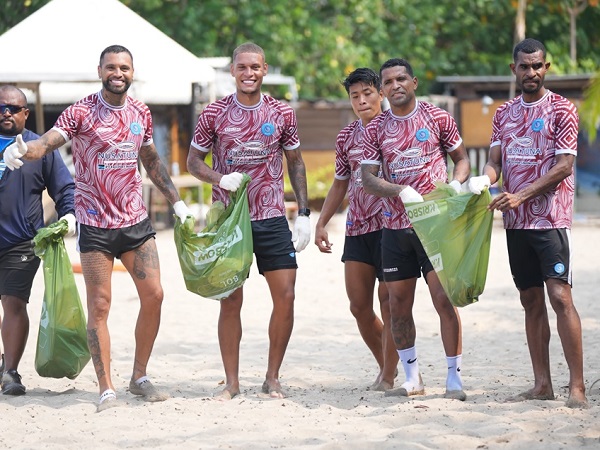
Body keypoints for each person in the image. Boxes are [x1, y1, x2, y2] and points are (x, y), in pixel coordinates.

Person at [3, 45, 194, 411]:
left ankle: (139, 378)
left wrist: (178, 202)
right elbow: (47, 143)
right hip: (95, 225)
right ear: (100, 70)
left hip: (135, 220)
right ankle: (106, 388)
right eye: (111, 67)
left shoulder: (141, 112)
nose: (117, 73)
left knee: (155, 295)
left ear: (132, 72)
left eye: (124, 67)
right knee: (101, 305)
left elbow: (151, 160)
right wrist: (22, 151)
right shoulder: (82, 110)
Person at [468, 38, 588, 409]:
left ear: (546, 67)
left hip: (551, 220)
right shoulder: (504, 113)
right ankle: (542, 384)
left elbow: (564, 166)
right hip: (515, 224)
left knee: (560, 297)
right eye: (525, 66)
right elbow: (495, 162)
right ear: (514, 69)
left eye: (538, 66)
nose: (532, 72)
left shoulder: (562, 110)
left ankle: (578, 387)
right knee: (530, 299)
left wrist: (520, 195)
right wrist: (482, 180)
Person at [187, 42, 310, 400]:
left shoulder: (282, 113)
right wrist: (217, 179)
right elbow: (194, 161)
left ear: (265, 70)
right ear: (232, 71)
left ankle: (272, 377)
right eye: (242, 67)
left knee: (286, 296)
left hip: (271, 217)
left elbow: (296, 162)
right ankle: (232, 383)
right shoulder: (214, 113)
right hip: (230, 220)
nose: (248, 73)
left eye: (255, 67)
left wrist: (302, 213)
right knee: (230, 301)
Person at [360, 58, 471, 401]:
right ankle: (413, 378)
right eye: (389, 81)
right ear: (382, 89)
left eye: (401, 79)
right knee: (398, 306)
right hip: (394, 228)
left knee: (443, 299)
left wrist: (455, 185)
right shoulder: (376, 127)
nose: (395, 85)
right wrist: (398, 190)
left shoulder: (437, 117)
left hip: (434, 226)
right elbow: (367, 178)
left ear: (415, 82)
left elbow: (463, 160)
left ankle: (454, 378)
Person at [314, 68, 398, 391]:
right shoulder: (346, 137)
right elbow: (339, 184)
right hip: (357, 227)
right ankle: (386, 366)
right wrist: (321, 222)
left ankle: (390, 374)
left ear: (380, 93)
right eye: (355, 96)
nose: (362, 100)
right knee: (359, 306)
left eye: (368, 93)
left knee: (388, 301)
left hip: (391, 225)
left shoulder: (394, 128)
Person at [0, 85, 75, 396]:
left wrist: (69, 215)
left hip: (21, 241)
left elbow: (64, 188)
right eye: (0, 107)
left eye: (13, 108)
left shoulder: (40, 147)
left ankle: (10, 373)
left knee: (13, 303)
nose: (6, 112)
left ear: (25, 113)